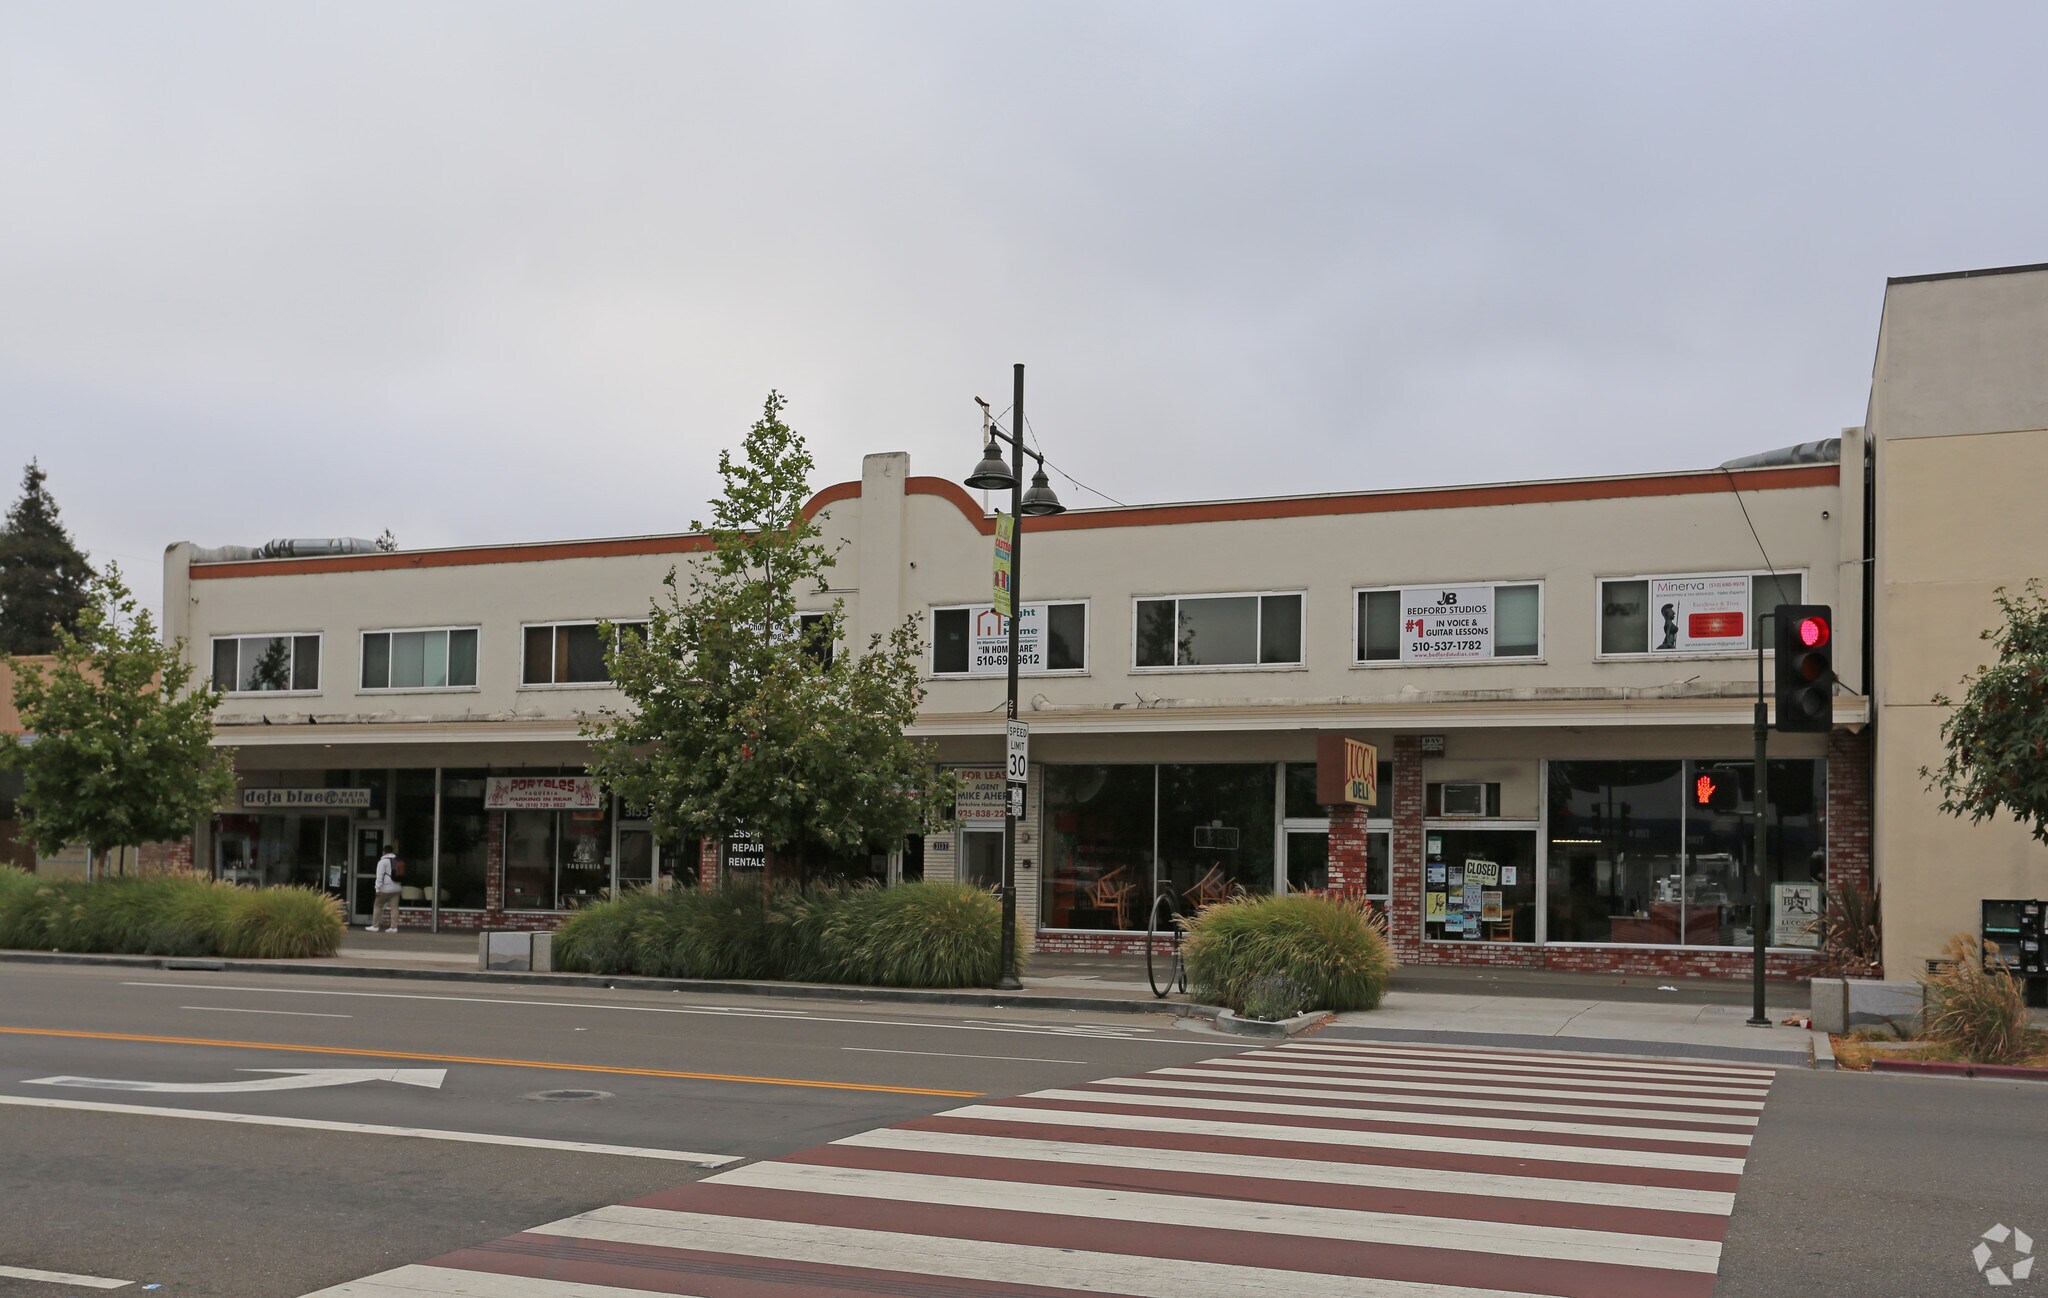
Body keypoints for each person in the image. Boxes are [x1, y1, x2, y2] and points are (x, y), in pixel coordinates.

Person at [369, 843, 403, 933]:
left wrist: (377, 888)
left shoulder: (382, 862)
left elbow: (379, 877)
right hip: (397, 888)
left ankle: (375, 926)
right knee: (394, 907)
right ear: (392, 852)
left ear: (384, 852)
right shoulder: (397, 860)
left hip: (386, 889)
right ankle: (394, 927)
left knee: (377, 905)